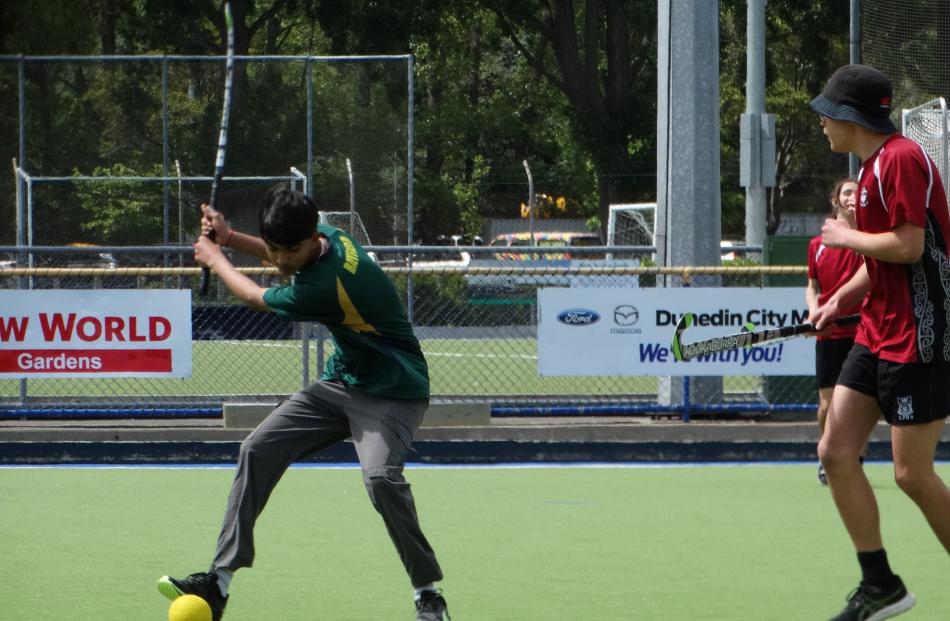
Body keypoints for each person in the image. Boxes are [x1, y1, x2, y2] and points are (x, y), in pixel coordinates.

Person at [157, 187, 451, 621]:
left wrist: (216, 259)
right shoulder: (329, 235)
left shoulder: (329, 284)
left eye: (289, 249)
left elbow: (255, 297)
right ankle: (218, 583)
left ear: (312, 237)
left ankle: (428, 594)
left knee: (382, 480)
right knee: (256, 449)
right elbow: (279, 256)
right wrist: (231, 236)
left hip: (393, 390)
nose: (280, 259)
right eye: (274, 247)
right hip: (340, 383)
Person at [809, 64, 950, 621]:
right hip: (875, 331)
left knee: (911, 474)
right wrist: (840, 298)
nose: (822, 123)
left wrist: (844, 237)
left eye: (827, 112)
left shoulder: (901, 160)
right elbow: (880, 258)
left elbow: (910, 245)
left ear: (850, 116)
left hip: (919, 333)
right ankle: (880, 584)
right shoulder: (868, 171)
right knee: (835, 451)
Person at [805, 178, 862, 485]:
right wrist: (814, 308)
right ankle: (826, 457)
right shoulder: (818, 245)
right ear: (836, 200)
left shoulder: (868, 239)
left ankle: (854, 456)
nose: (853, 196)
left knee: (857, 404)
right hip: (828, 334)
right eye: (847, 191)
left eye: (858, 191)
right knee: (827, 404)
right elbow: (812, 286)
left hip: (862, 334)